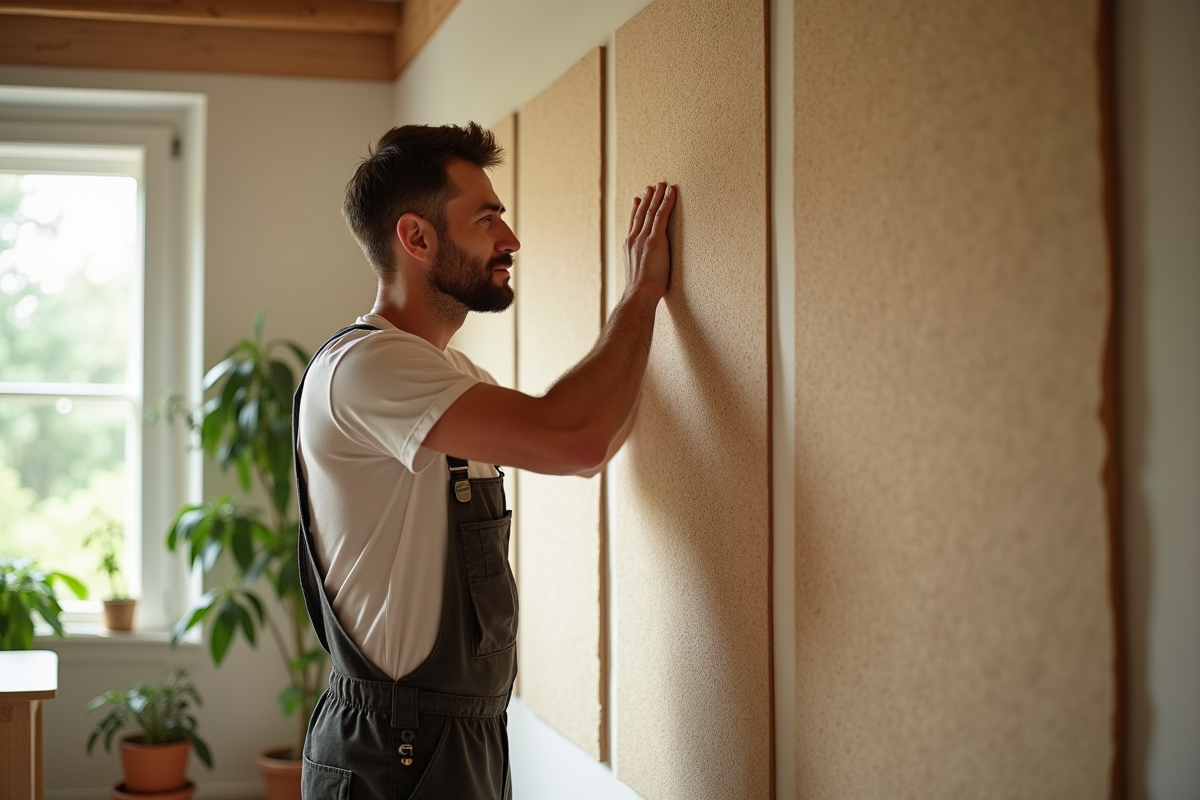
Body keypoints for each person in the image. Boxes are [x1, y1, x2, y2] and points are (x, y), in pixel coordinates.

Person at [293, 122, 675, 799]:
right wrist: (641, 295)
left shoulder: (449, 373)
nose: (511, 239)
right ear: (417, 238)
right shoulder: (366, 366)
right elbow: (576, 436)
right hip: (396, 749)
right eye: (487, 218)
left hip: (457, 735)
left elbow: (591, 445)